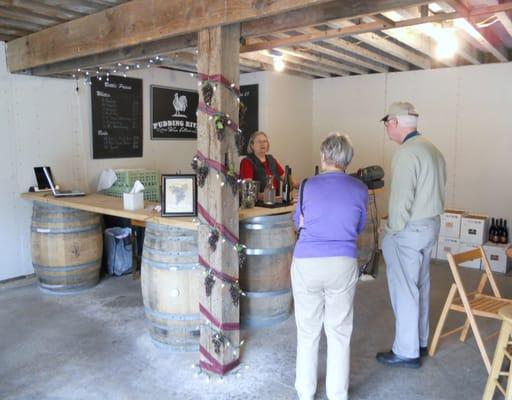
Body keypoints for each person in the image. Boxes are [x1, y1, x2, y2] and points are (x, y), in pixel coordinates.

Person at [292, 132, 368, 400]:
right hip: (342, 262)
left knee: (308, 330)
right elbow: (359, 227)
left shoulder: (306, 186)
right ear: (347, 159)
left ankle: (305, 390)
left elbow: (297, 223)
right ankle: (337, 394)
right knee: (339, 331)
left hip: (307, 263)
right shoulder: (360, 189)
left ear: (323, 156)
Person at [376, 102, 447, 368]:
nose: (386, 129)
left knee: (404, 290)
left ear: (394, 122)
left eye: (386, 124)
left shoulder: (407, 153)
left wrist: (391, 231)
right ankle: (419, 342)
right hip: (431, 226)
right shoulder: (433, 150)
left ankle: (406, 351)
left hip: (409, 230)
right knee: (421, 285)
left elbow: (401, 200)